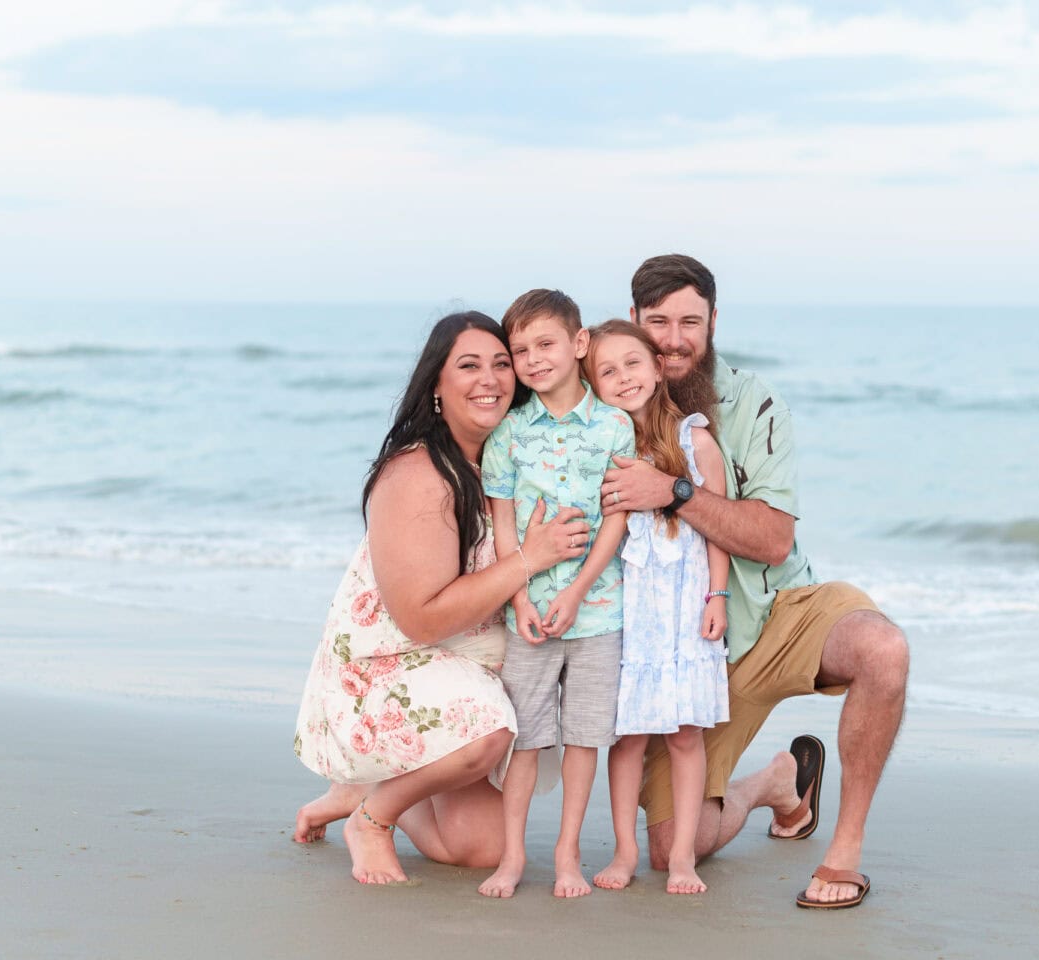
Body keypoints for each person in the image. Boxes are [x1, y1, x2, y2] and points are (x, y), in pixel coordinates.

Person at [599, 255, 910, 910]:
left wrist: (674, 491)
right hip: (686, 648)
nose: (675, 338)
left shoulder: (755, 402)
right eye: (658, 322)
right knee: (670, 849)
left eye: (691, 320)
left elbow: (772, 538)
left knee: (883, 650)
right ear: (633, 322)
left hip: (776, 607)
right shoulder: (605, 403)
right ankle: (778, 782)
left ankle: (845, 851)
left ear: (714, 321)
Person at [291, 310, 588, 886]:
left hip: (465, 666)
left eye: (502, 364)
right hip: (388, 667)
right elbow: (421, 620)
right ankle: (373, 820)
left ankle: (369, 788)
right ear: (436, 387)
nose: (491, 379)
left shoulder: (513, 460)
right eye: (469, 366)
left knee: (478, 849)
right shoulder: (418, 474)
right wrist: (531, 558)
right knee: (487, 731)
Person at [476, 290, 633, 899]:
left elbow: (616, 519)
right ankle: (514, 854)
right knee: (528, 736)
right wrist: (519, 598)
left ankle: (567, 852)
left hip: (598, 614)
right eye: (520, 351)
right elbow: (504, 522)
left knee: (585, 736)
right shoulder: (511, 434)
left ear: (579, 344)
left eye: (545, 344)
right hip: (530, 615)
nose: (533, 359)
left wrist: (581, 590)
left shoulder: (615, 426)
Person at [582, 319, 730, 895]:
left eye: (632, 363)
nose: (623, 378)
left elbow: (719, 526)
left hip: (687, 608)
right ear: (592, 384)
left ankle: (684, 858)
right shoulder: (604, 448)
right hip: (630, 612)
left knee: (687, 735)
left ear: (655, 363)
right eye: (607, 371)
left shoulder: (696, 440)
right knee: (628, 738)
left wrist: (717, 594)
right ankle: (624, 851)